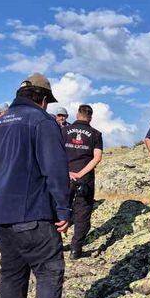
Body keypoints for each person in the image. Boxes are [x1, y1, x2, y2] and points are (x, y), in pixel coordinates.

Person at [0, 73, 83, 298]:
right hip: (32, 213)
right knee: (50, 271)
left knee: (12, 274)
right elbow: (55, 169)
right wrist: (63, 209)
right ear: (44, 100)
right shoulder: (42, 121)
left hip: (0, 215)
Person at [62, 104, 103, 260]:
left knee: (58, 208)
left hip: (63, 176)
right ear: (91, 117)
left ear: (77, 114)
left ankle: (55, 245)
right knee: (82, 213)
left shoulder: (63, 131)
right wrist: (80, 173)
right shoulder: (96, 134)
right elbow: (97, 157)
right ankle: (75, 249)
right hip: (84, 179)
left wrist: (67, 172)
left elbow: (55, 152)